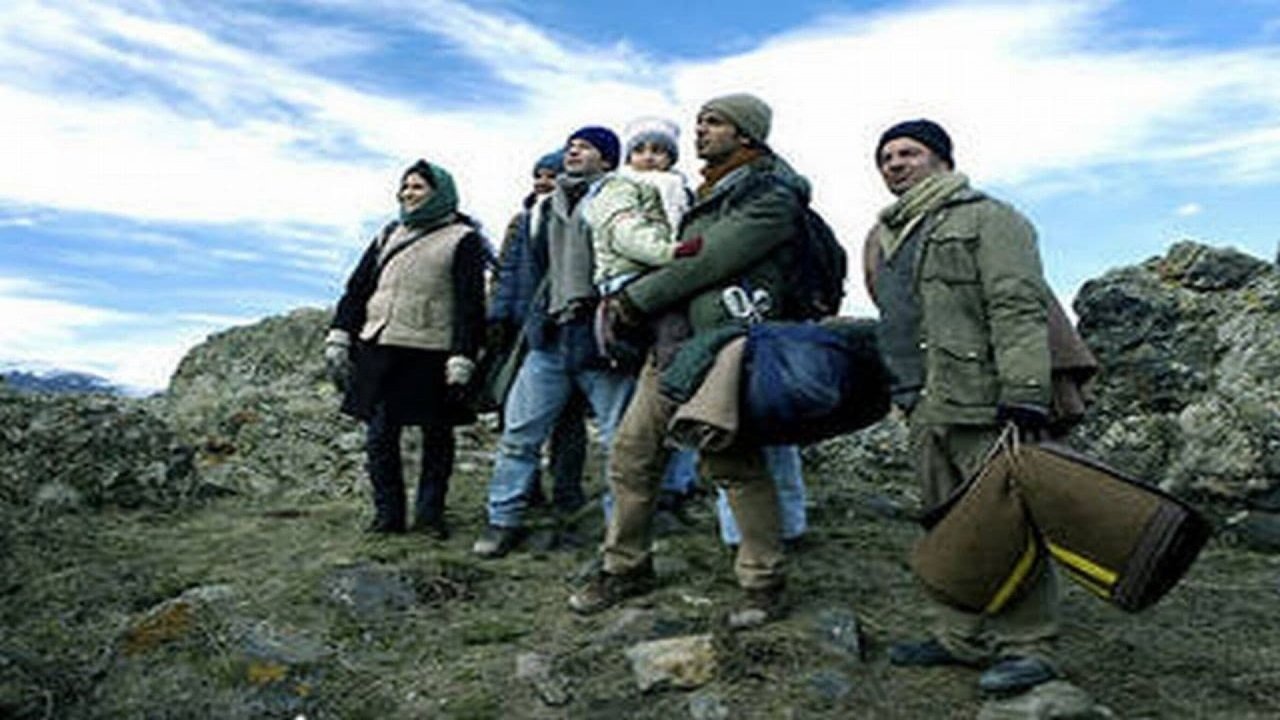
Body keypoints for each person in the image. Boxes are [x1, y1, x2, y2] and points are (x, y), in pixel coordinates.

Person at [568, 93, 809, 629]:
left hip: (725, 343)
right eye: (699, 121)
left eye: (714, 122)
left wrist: (633, 300)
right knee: (632, 455)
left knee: (733, 464)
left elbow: (708, 258)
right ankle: (625, 566)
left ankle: (764, 582)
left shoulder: (771, 193)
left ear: (746, 133)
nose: (699, 130)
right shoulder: (705, 190)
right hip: (674, 345)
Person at [862, 119, 1061, 695]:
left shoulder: (991, 218)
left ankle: (1028, 646)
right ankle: (959, 637)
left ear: (943, 160)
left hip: (985, 403)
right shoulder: (886, 234)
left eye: (909, 153)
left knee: (1007, 525)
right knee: (945, 528)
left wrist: (1025, 393)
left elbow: (1017, 306)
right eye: (886, 157)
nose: (895, 164)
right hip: (925, 404)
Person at [472, 126, 637, 558]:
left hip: (602, 340)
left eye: (586, 146)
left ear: (607, 160)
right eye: (571, 146)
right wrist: (517, 322)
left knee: (621, 442)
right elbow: (527, 272)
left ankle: (620, 532)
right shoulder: (543, 210)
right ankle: (502, 520)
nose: (574, 151)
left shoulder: (622, 200)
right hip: (550, 336)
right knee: (519, 434)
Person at [324, 159, 486, 540]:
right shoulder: (388, 234)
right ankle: (388, 517)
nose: (408, 194)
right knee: (380, 435)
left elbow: (470, 304)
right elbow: (357, 289)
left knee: (436, 435)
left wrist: (462, 355)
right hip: (379, 346)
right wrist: (340, 333)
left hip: (431, 350)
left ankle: (430, 516)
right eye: (405, 187)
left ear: (440, 193)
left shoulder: (462, 239)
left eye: (418, 187)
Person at [487, 150, 589, 515]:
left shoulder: (575, 217)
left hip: (560, 330)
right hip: (519, 333)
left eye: (551, 175)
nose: (543, 182)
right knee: (516, 418)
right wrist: (498, 316)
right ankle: (527, 493)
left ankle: (567, 492)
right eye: (539, 175)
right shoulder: (522, 221)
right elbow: (506, 271)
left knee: (568, 420)